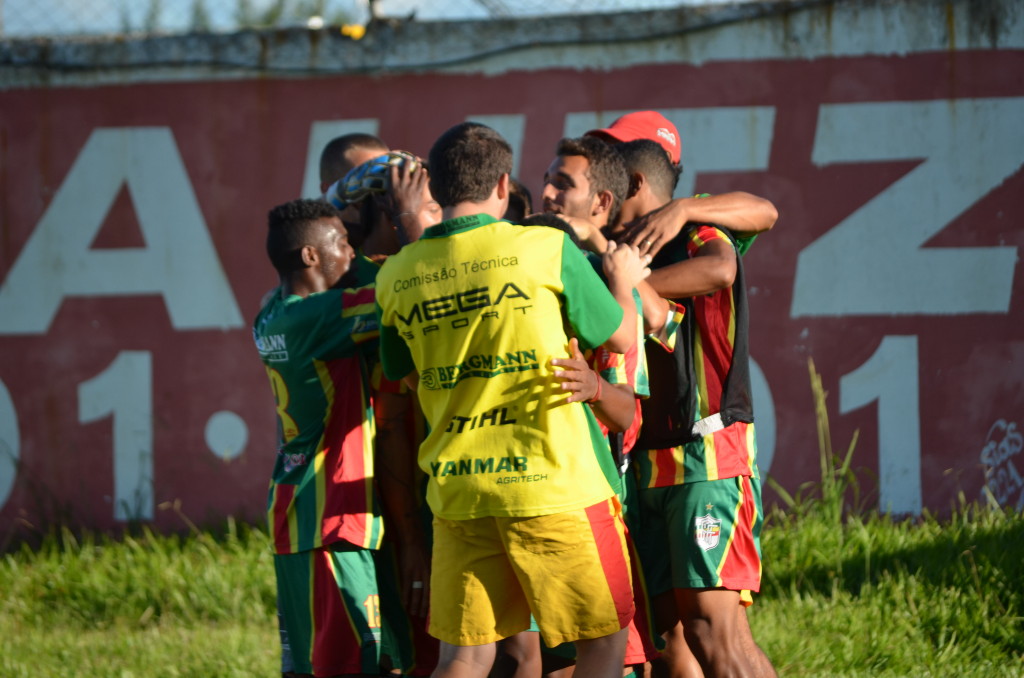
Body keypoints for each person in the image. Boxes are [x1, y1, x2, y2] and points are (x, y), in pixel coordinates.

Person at [375, 122, 647, 678]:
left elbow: (400, 373)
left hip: (459, 490)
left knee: (465, 656)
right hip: (554, 481)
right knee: (602, 644)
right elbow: (619, 335)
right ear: (503, 186)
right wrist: (623, 280)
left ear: (436, 188)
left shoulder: (396, 275)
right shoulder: (543, 247)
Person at [612, 138, 777, 678]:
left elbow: (734, 253)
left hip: (706, 453)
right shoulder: (606, 249)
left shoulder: (692, 227)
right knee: (670, 636)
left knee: (713, 630)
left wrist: (619, 296)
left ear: (632, 183)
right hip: (644, 463)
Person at [253, 198, 395, 677]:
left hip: (297, 510)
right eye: (341, 243)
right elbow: (402, 295)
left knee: (315, 665)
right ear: (310, 256)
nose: (351, 254)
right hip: (329, 513)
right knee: (357, 662)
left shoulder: (273, 311)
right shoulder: (319, 317)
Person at [585, 110, 777, 258]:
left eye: (620, 149)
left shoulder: (693, 223)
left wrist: (683, 209)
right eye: (604, 150)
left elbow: (766, 212)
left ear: (661, 160)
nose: (605, 160)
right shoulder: (593, 221)